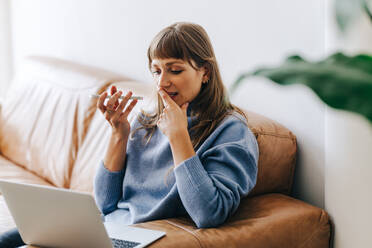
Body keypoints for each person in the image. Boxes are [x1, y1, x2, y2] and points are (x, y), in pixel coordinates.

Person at [0, 21, 258, 247]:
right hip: (106, 228)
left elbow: (208, 213)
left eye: (175, 70)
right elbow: (105, 204)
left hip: (141, 236)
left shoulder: (231, 131)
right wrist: (119, 134)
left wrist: (179, 136)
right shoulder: (148, 118)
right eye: (156, 71)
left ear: (206, 73)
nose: (162, 83)